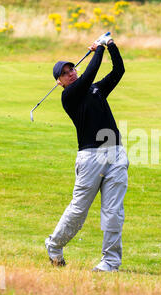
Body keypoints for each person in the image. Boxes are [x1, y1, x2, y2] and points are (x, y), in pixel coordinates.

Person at [45, 34, 129, 272]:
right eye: (65, 73)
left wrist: (110, 45)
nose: (71, 73)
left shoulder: (95, 90)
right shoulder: (69, 96)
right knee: (79, 210)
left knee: (114, 212)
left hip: (115, 154)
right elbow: (90, 73)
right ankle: (54, 245)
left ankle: (110, 262)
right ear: (60, 82)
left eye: (72, 69)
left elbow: (118, 71)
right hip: (91, 158)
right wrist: (98, 50)